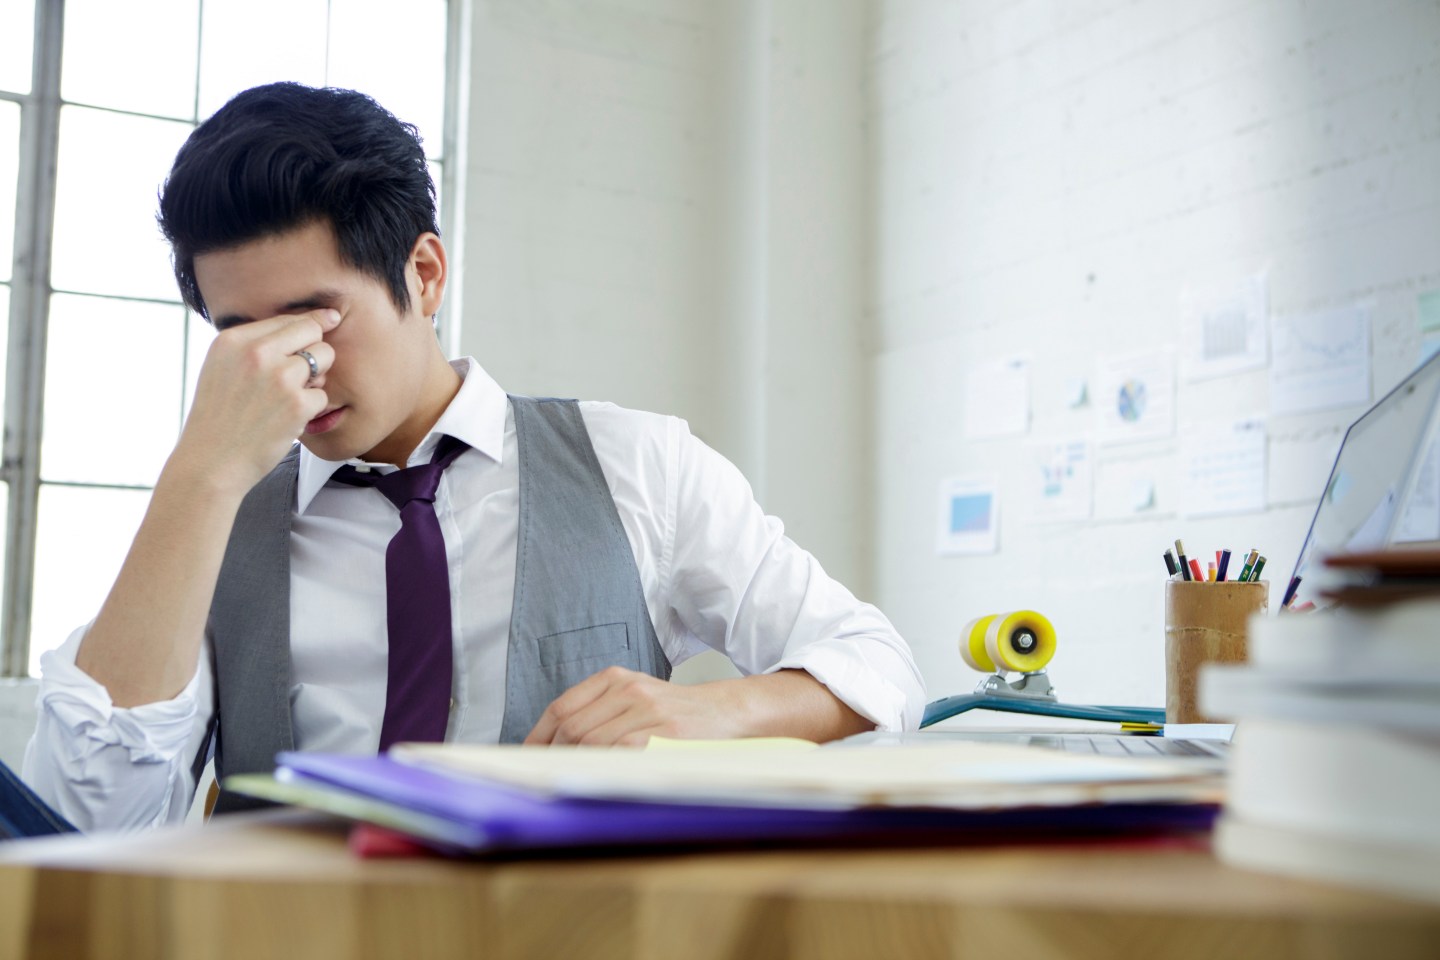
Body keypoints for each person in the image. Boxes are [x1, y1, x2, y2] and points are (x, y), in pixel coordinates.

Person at [17, 82, 924, 834]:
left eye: (317, 320)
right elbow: (85, 820)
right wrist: (200, 475)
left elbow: (874, 663)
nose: (291, 368)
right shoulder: (218, 516)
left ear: (424, 273)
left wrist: (716, 710)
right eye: (242, 338)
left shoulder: (631, 460)